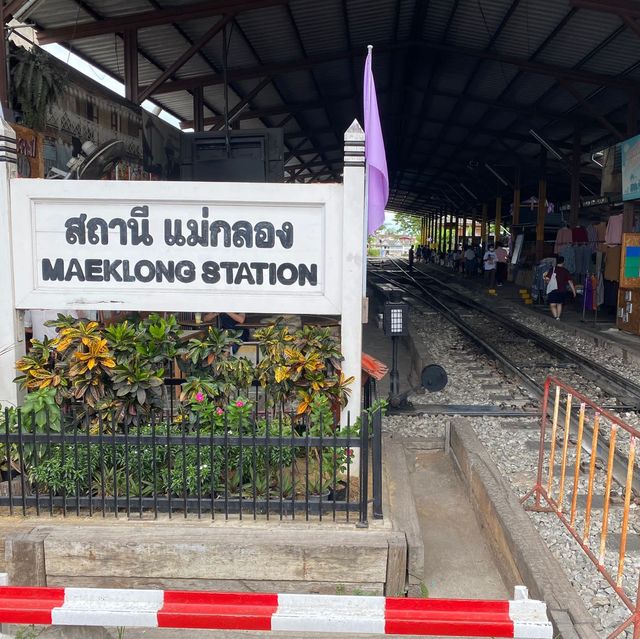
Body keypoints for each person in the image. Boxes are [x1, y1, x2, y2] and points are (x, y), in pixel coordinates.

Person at [543, 256, 576, 320]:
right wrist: (574, 292)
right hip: (562, 290)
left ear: (556, 262)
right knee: (559, 304)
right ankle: (558, 317)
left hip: (553, 290)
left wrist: (545, 279)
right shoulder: (565, 271)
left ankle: (555, 317)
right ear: (563, 262)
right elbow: (570, 282)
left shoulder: (552, 269)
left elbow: (547, 279)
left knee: (552, 305)